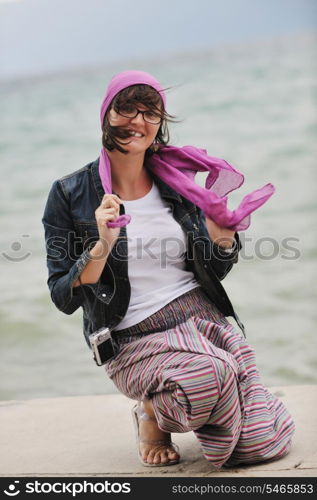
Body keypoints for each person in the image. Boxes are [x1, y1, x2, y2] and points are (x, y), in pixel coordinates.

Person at [42, 70, 295, 469]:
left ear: (160, 123)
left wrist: (222, 237)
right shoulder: (69, 193)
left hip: (204, 321)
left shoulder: (179, 184)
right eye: (127, 109)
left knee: (260, 446)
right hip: (132, 339)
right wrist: (102, 244)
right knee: (211, 374)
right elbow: (62, 294)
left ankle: (205, 394)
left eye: (150, 112)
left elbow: (214, 270)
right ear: (107, 115)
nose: (138, 121)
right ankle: (152, 414)